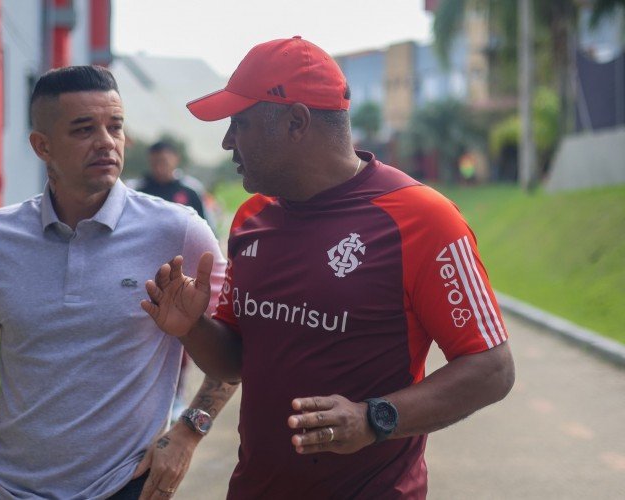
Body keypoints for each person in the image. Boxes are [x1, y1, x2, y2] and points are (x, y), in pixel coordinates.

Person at [141, 37, 515, 499]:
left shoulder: (423, 219)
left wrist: (374, 418)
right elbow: (238, 360)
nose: (226, 141)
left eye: (240, 124)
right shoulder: (252, 219)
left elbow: (492, 367)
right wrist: (192, 328)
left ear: (296, 121)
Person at [0, 65, 236, 500]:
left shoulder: (178, 230)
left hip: (126, 486)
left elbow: (238, 346)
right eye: (84, 129)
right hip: (7, 489)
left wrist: (188, 432)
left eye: (115, 126)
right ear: (42, 145)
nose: (105, 141)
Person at [131, 141, 215, 421]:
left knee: (181, 339)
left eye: (165, 160)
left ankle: (176, 396)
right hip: (145, 278)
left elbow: (207, 233)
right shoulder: (136, 190)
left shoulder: (190, 191)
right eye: (155, 161)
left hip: (181, 280)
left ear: (175, 159)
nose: (160, 165)